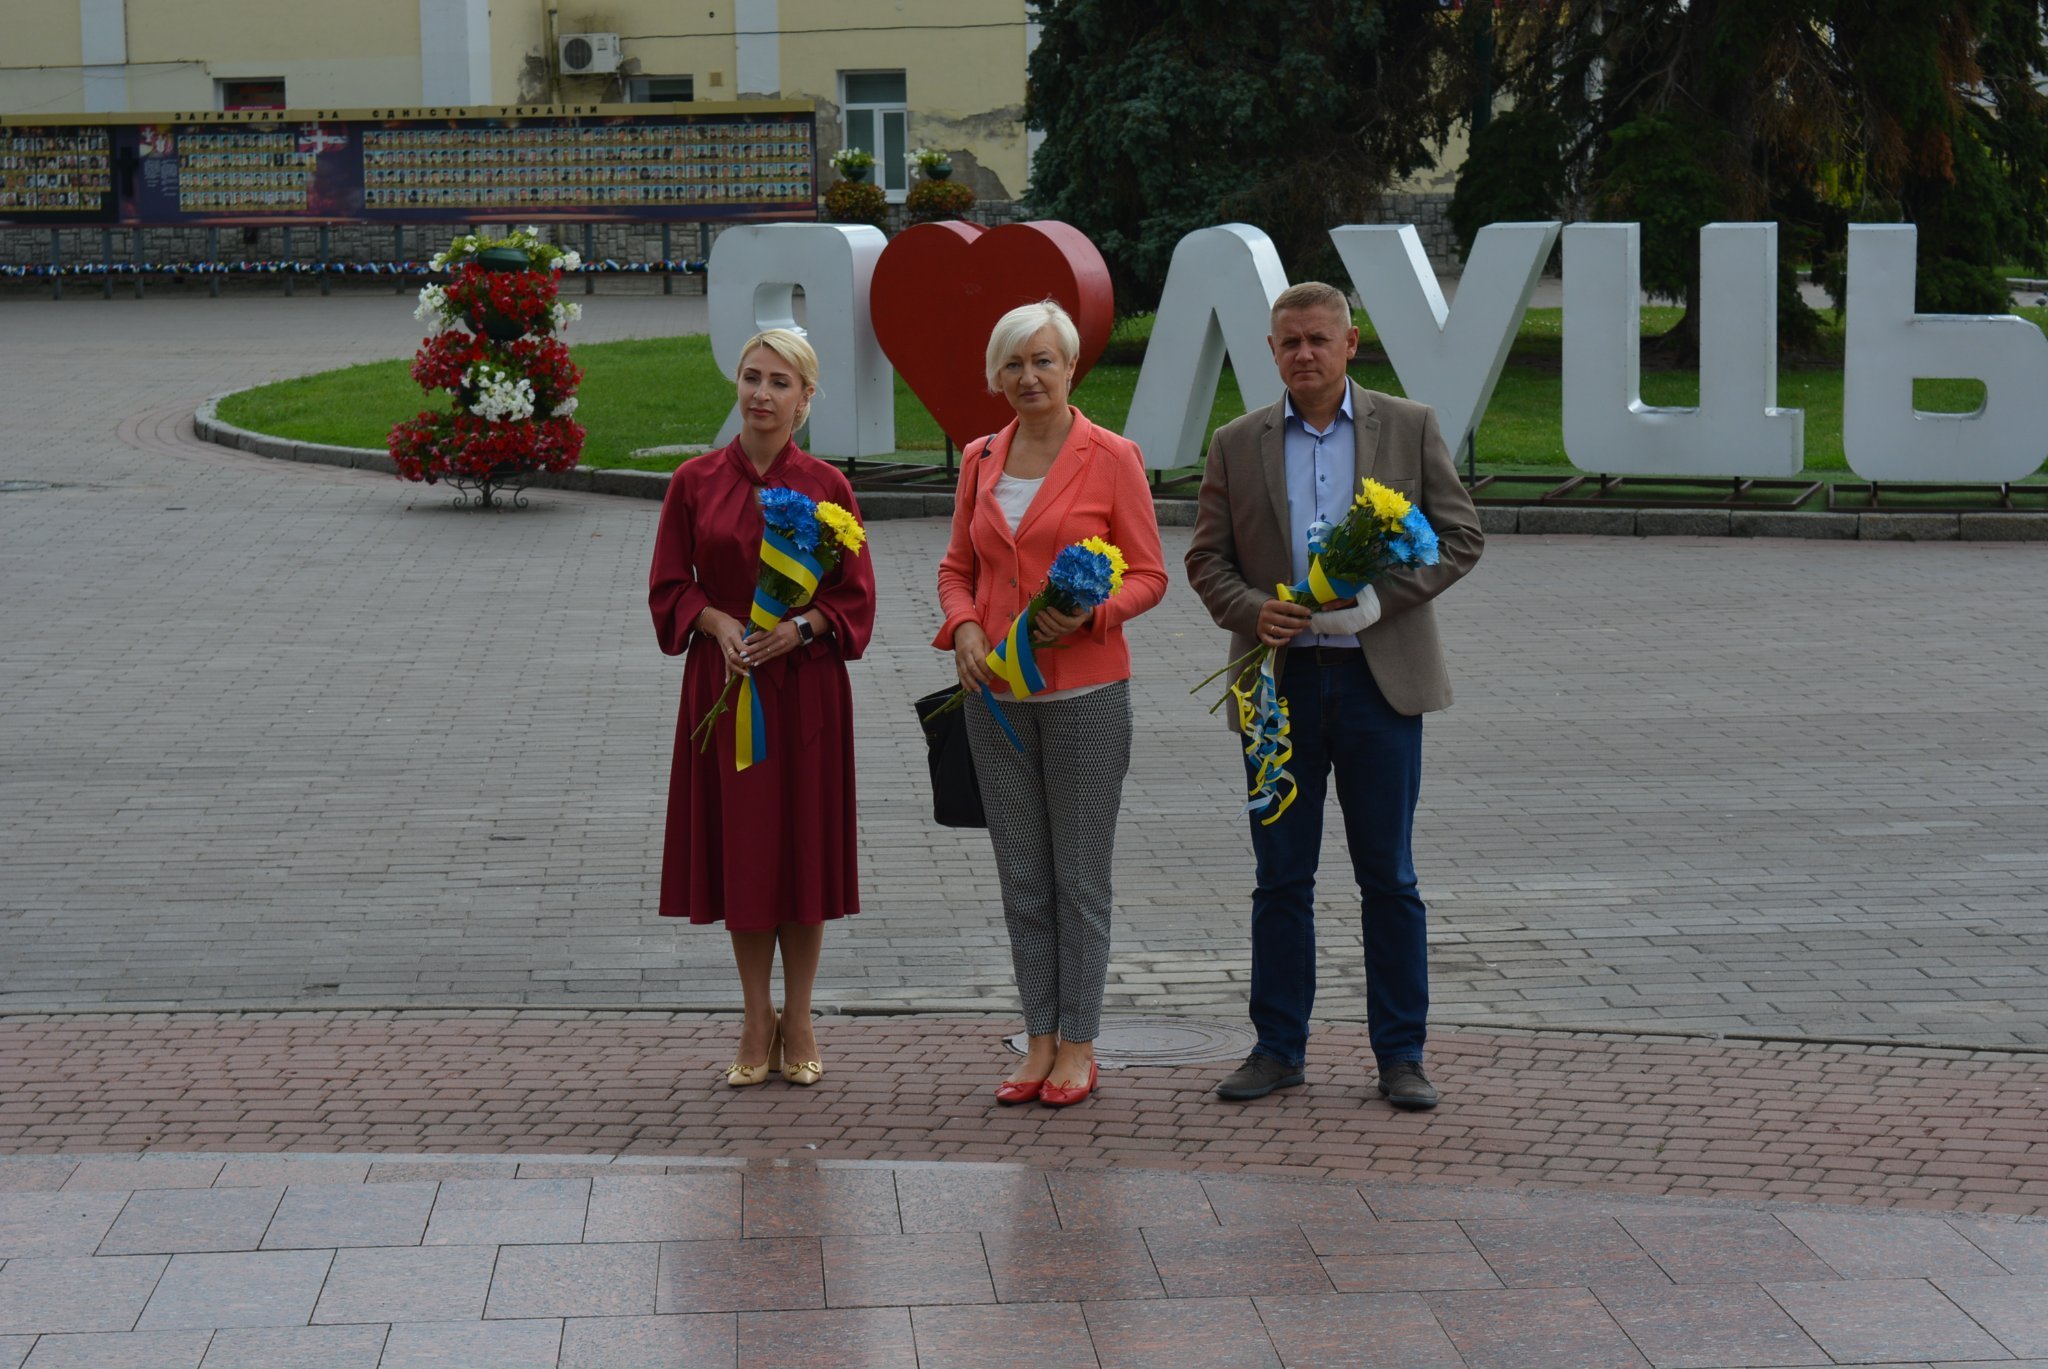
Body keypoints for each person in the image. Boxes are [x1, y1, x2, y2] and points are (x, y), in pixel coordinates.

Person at [1185, 281, 1483, 1109]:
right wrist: (1253, 609)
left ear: (1350, 343)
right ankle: (1277, 1047)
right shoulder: (1236, 442)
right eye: (1290, 342)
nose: (1304, 354)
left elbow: (1461, 536)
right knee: (1281, 875)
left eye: (1319, 339)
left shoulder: (1409, 425)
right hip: (1276, 688)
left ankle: (1401, 1054)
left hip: (1377, 684)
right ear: (1272, 351)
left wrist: (1379, 602)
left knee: (1388, 875)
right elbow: (1206, 558)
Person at [935, 299, 1168, 1108]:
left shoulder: (1113, 456)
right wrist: (965, 627)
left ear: (1071, 367)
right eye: (1013, 363)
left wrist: (1094, 614)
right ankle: (1037, 1038)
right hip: (996, 697)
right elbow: (957, 567)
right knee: (1023, 877)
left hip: (1086, 696)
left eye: (1043, 360)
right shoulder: (980, 457)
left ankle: (1079, 1043)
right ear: (996, 375)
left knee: (1079, 879)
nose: (1028, 376)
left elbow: (1150, 573)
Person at [649, 327, 877, 1088]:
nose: (762, 394)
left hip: (805, 691)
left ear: (806, 399)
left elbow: (855, 596)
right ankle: (755, 1015)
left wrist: (801, 628)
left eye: (781, 382)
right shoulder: (694, 482)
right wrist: (715, 623)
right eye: (752, 377)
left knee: (801, 851)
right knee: (745, 851)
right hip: (724, 687)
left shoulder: (828, 488)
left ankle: (800, 1016)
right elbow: (669, 585)